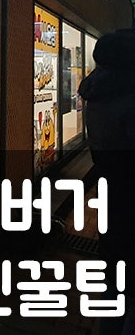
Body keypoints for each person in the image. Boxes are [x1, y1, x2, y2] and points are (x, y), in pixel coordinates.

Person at [78, 30, 135, 334]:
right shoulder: (126, 94)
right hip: (127, 194)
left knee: (115, 276)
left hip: (112, 192)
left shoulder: (98, 90)